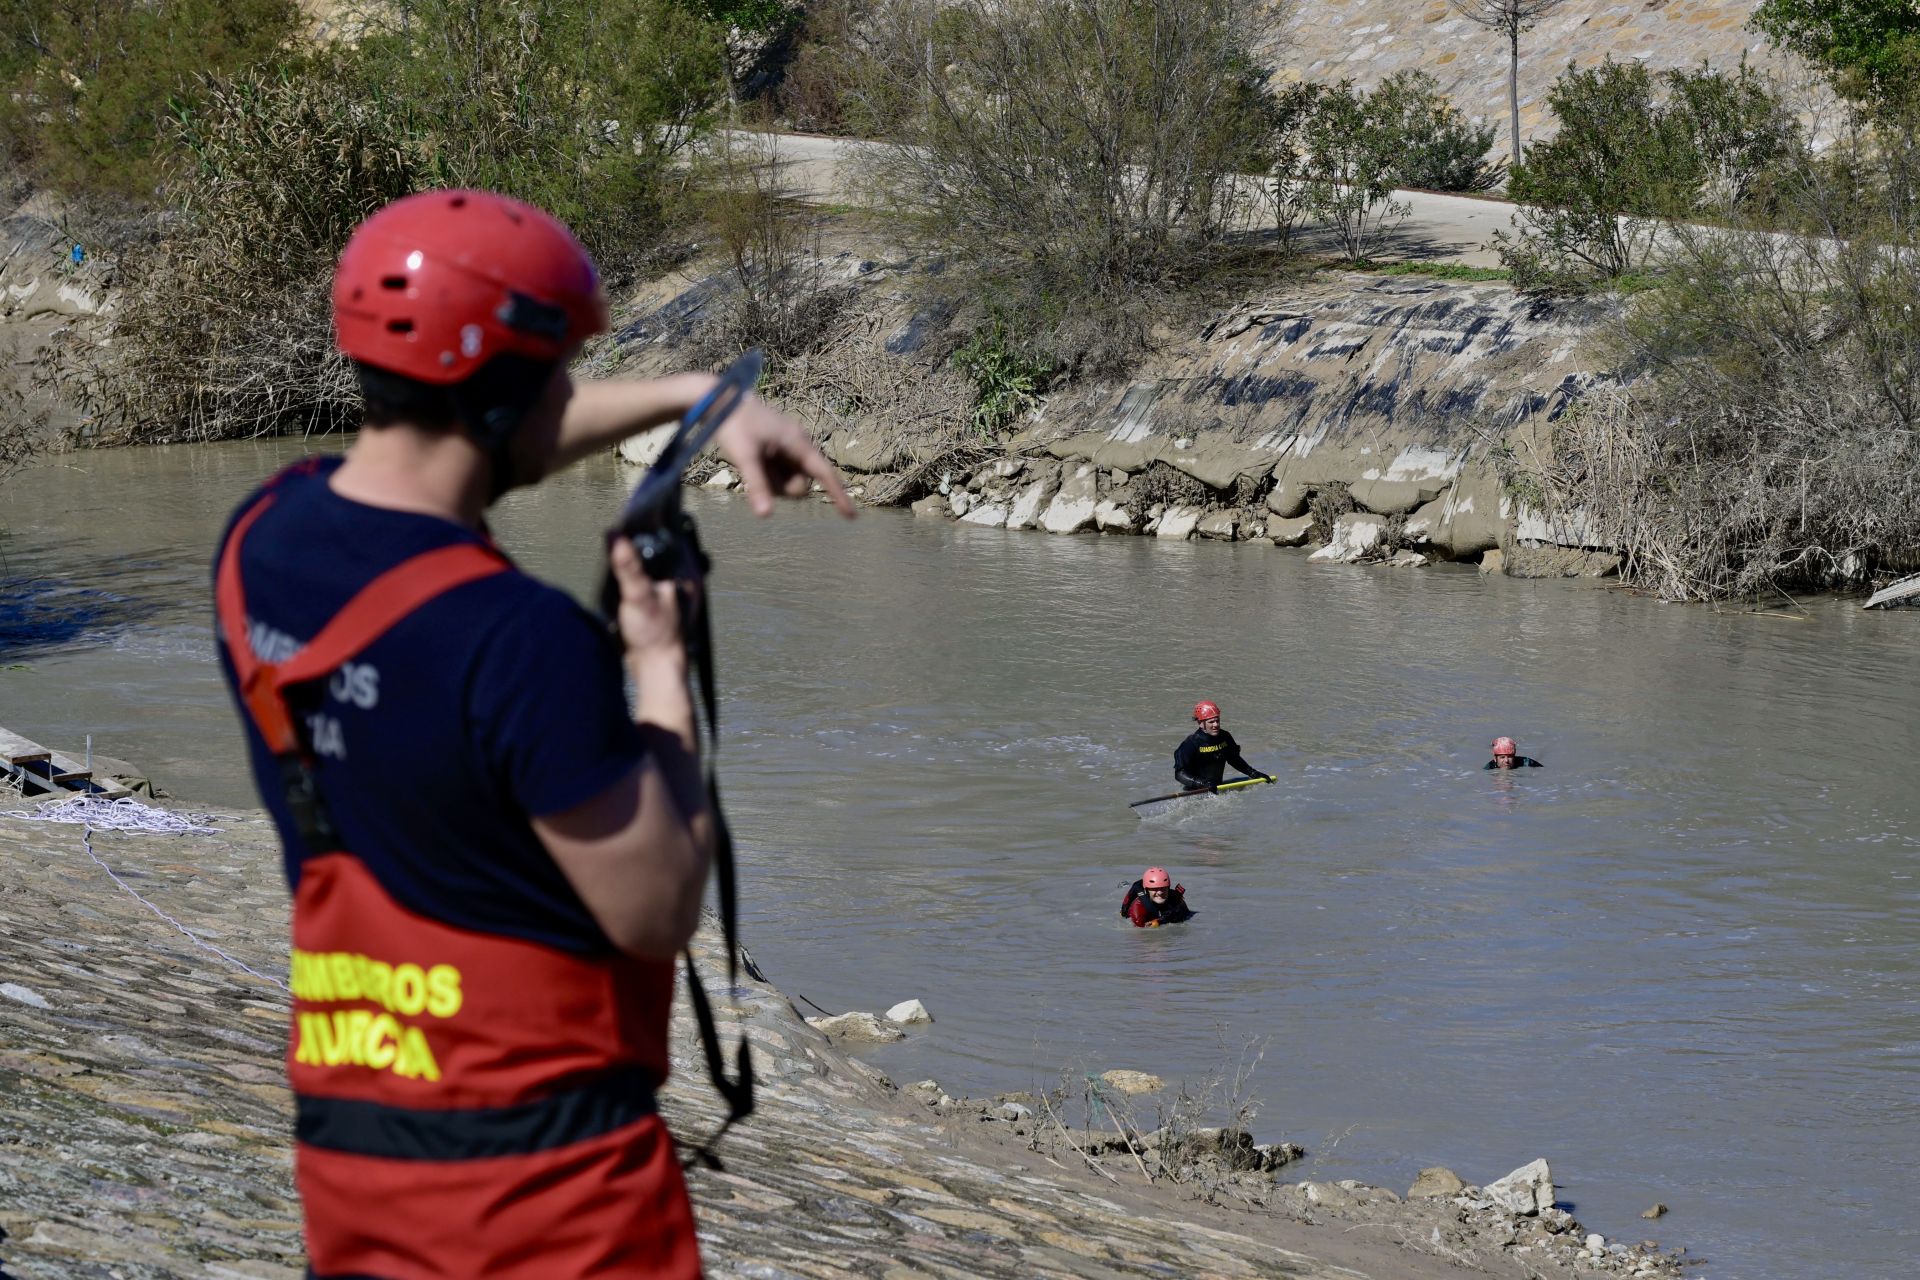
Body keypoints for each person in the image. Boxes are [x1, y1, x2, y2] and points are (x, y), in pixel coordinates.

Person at [212, 189, 853, 1280]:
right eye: (558, 370)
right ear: (510, 394)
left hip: (356, 1140)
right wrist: (656, 664)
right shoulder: (517, 640)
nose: (569, 393)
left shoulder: (262, 534)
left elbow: (487, 439)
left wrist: (699, 400)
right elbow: (653, 909)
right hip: (550, 1192)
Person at [1174, 700, 1270, 791]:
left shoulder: (1225, 737)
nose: (1216, 725)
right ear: (1200, 723)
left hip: (1217, 787)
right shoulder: (1190, 743)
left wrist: (1253, 773)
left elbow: (1234, 759)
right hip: (1195, 791)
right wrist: (1202, 783)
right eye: (1211, 722)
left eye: (1217, 720)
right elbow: (1179, 774)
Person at [1121, 866, 1194, 927]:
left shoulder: (1175, 897)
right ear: (1146, 890)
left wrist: (1160, 921)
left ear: (1168, 888)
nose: (1160, 892)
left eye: (1163, 888)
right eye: (1154, 889)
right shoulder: (1138, 908)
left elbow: (1186, 915)